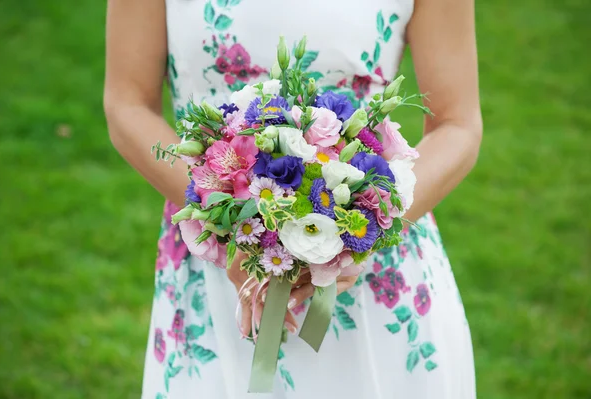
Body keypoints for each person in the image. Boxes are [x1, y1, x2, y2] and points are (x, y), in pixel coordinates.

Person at [104, 0, 482, 397]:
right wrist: (232, 220)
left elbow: (457, 123)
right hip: (219, 260)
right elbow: (127, 103)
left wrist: (359, 230)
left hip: (371, 269)